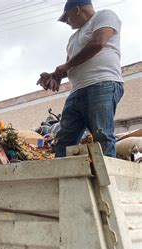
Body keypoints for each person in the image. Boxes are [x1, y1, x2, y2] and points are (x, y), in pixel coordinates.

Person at [37, 0, 124, 157]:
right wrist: (53, 76)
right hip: (77, 91)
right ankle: (63, 179)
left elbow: (98, 43)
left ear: (77, 10)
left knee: (102, 135)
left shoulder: (104, 16)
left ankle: (107, 181)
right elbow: (70, 66)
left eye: (67, 18)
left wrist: (66, 66)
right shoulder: (72, 39)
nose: (67, 22)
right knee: (64, 139)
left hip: (102, 83)